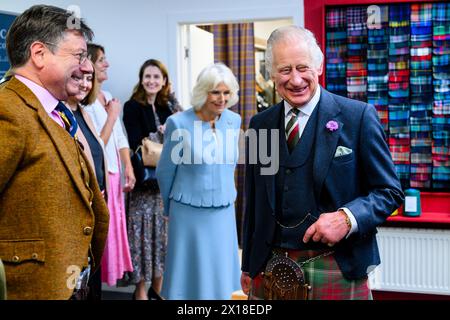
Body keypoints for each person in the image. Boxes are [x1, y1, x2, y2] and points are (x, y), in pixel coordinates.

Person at [241, 26, 404, 300]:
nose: (295, 79)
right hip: (269, 267)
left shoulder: (357, 117)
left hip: (336, 266)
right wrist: (248, 264)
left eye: (303, 67)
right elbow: (255, 200)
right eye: (284, 70)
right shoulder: (260, 125)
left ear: (318, 66)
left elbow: (389, 192)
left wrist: (346, 218)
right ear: (271, 74)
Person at [0, 5, 109, 299]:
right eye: (78, 56)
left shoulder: (55, 111)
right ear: (39, 54)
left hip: (71, 281)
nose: (87, 67)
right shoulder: (7, 110)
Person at [156, 63, 241, 300]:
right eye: (216, 92)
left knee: (221, 277)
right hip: (188, 213)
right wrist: (167, 207)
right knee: (189, 278)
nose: (222, 98)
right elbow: (165, 172)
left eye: (226, 92)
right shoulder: (178, 123)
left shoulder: (234, 121)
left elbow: (229, 164)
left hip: (224, 211)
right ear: (203, 91)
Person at [121, 59, 181, 300]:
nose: (152, 81)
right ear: (141, 79)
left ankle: (159, 292)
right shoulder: (132, 106)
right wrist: (160, 133)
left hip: (167, 187)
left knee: (162, 241)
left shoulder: (170, 106)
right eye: (147, 76)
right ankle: (141, 292)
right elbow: (135, 141)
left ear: (164, 80)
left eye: (157, 77)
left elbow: (187, 134)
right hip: (145, 185)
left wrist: (175, 110)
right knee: (143, 240)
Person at [85, 43, 134, 286]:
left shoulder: (106, 96)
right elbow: (95, 146)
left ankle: (107, 281)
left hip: (115, 172)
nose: (107, 64)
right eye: (102, 59)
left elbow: (119, 136)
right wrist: (113, 115)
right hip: (103, 175)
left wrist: (129, 167)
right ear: (90, 65)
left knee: (115, 230)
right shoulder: (87, 102)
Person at [65, 61, 107, 300]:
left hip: (94, 212)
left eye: (89, 78)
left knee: (91, 285)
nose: (84, 84)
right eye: (77, 77)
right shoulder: (59, 113)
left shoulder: (83, 112)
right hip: (77, 214)